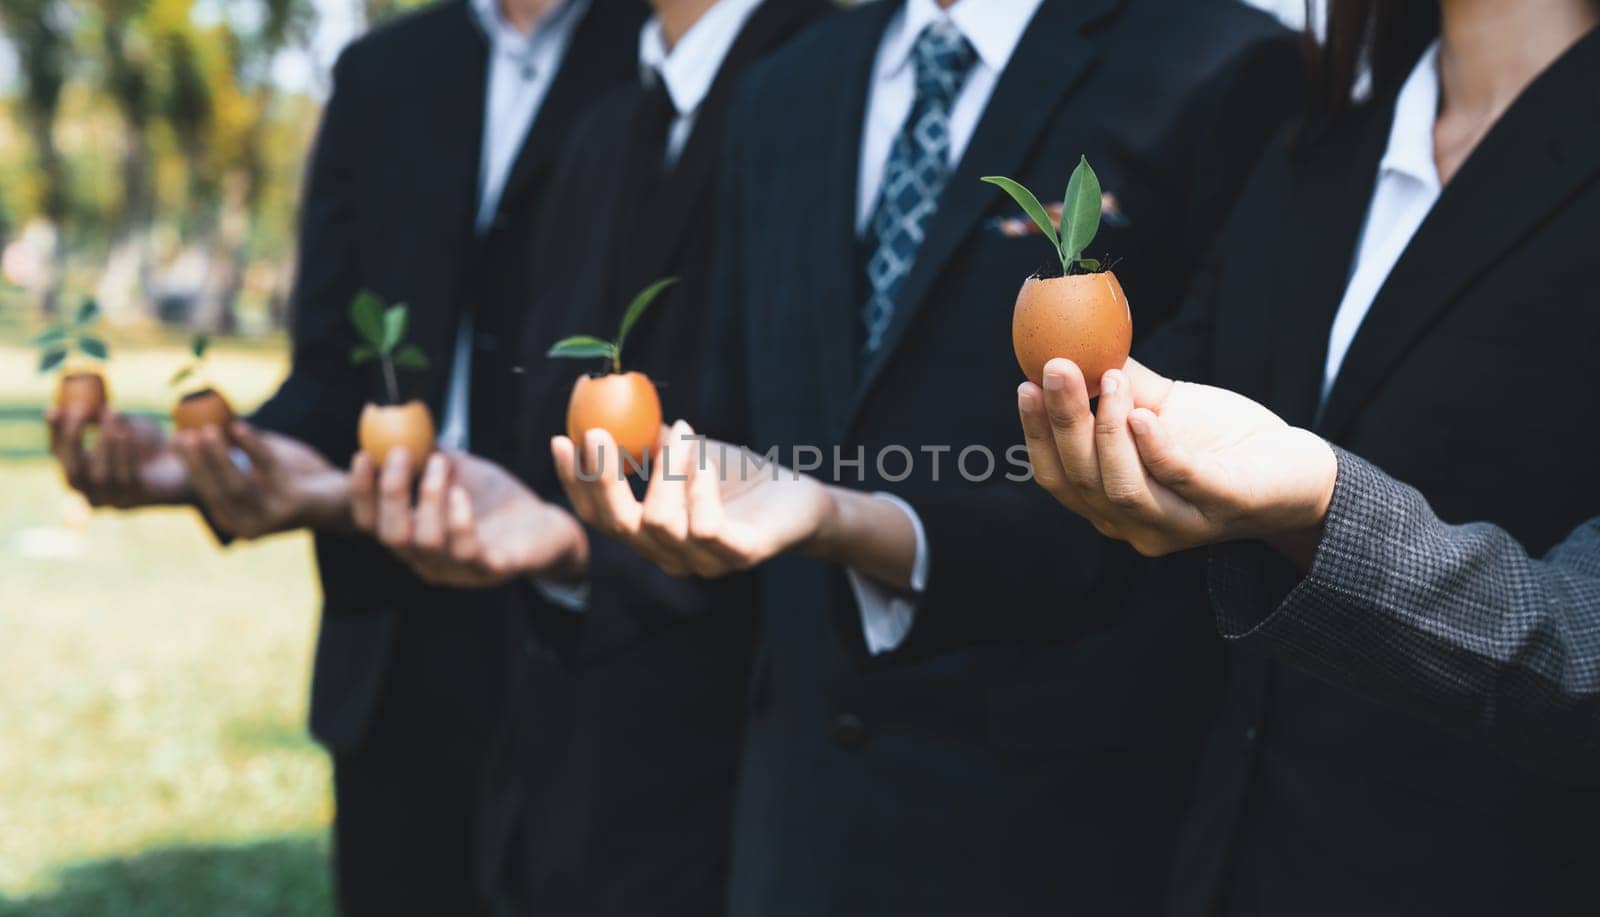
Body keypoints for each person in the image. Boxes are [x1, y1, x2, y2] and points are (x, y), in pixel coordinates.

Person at [554, 0, 1303, 913]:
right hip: (792, 841)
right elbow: (733, 429)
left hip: (1059, 845)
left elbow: (1197, 488)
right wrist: (573, 541)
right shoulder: (783, 91)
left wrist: (859, 523)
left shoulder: (1223, 64)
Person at [45, 1, 644, 913]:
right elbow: (331, 373)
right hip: (393, 656)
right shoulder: (384, 73)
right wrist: (211, 465)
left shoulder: (678, 49)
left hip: (602, 650)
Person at [1015, 1, 1600, 913]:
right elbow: (1154, 418)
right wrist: (846, 514)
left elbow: (1583, 647)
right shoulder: (1311, 147)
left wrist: (1327, 508)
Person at [344, 0, 828, 914]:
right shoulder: (606, 128)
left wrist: (582, 549)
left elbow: (834, 459)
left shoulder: (828, 90)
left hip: (746, 802)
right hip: (563, 788)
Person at [1014, 356, 1600, 781]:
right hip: (1220, 812)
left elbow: (1581, 644)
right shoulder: (1295, 182)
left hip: (1474, 838)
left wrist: (1327, 506)